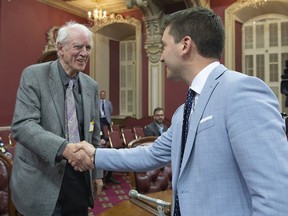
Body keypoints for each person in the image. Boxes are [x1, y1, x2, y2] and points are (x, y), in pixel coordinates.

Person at [75, 7, 288, 216]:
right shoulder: (183, 112)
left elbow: (275, 193)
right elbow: (151, 154)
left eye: (164, 46)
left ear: (185, 45)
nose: (161, 57)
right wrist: (95, 155)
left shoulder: (241, 91)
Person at [10, 21, 103, 216]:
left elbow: (94, 134)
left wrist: (97, 174)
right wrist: (64, 149)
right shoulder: (34, 75)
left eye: (88, 47)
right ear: (60, 48)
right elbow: (23, 125)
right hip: (41, 179)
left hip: (78, 179)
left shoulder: (91, 86)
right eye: (78, 46)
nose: (84, 53)